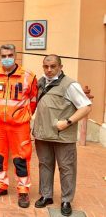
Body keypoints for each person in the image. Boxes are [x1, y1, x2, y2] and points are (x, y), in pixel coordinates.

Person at [33, 54, 91, 216]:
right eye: (46, 66)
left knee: (66, 168)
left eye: (53, 66)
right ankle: (46, 195)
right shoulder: (41, 83)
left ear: (60, 67)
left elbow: (86, 107)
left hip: (62, 135)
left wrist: (68, 122)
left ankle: (66, 200)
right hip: (43, 134)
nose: (49, 70)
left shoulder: (70, 85)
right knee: (44, 165)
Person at [0, 44, 37, 208]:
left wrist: (22, 116)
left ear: (16, 55)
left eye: (10, 55)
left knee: (21, 158)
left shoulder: (29, 76)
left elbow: (34, 100)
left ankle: (23, 190)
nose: (7, 58)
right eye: (4, 56)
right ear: (0, 57)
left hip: (19, 126)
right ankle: (1, 185)